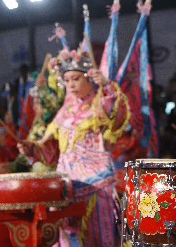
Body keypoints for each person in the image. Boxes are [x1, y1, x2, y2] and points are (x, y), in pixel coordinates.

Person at [19, 49, 128, 247]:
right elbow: (51, 149)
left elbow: (118, 115)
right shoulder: (64, 111)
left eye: (76, 79)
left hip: (96, 185)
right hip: (66, 186)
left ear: (89, 77)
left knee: (99, 239)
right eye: (67, 80)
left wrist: (107, 86)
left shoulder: (99, 103)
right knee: (67, 239)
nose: (71, 85)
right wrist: (31, 149)